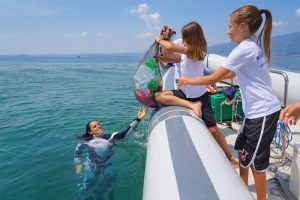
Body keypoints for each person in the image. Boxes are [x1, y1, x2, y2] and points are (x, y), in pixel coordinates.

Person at [178, 5, 280, 200]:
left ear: (242, 27)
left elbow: (211, 79)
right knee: (241, 150)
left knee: (257, 164)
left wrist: (187, 80)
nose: (227, 31)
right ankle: (242, 188)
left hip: (263, 112)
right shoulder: (250, 46)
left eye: (229, 26)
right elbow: (233, 72)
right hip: (253, 112)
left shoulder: (243, 49)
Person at [155, 22, 238, 169]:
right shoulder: (187, 51)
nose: (183, 39)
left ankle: (229, 155)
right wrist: (165, 39)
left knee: (213, 129)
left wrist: (159, 39)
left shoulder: (198, 50)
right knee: (158, 96)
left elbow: (170, 48)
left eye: (186, 37)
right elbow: (173, 57)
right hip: (184, 93)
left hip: (200, 96)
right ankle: (191, 105)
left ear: (192, 37)